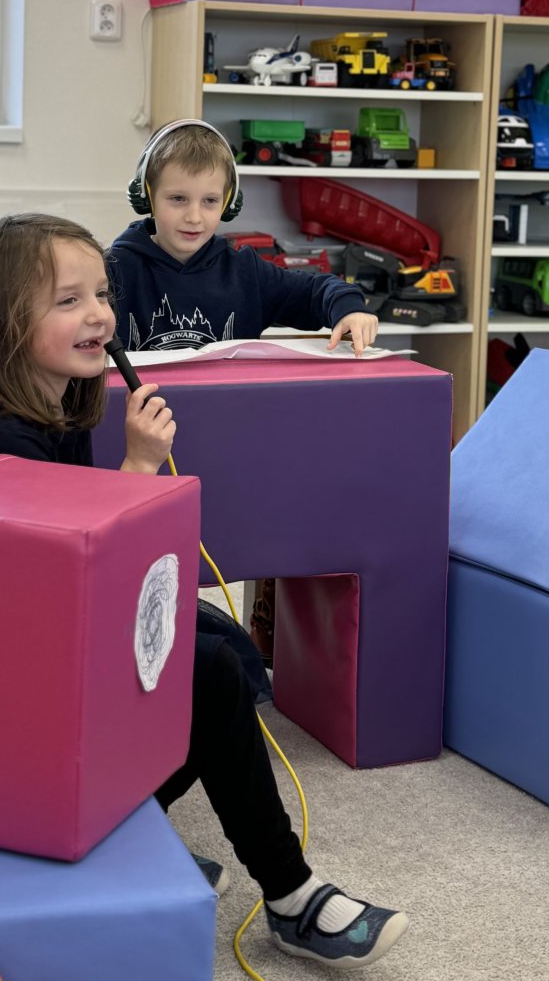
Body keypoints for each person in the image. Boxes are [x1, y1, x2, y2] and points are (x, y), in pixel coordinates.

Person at [0, 213, 409, 970]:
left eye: (102, 294)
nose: (100, 315)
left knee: (227, 647)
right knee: (209, 671)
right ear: (3, 322)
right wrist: (139, 469)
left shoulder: (51, 401)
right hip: (10, 679)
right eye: (69, 301)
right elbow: (68, 576)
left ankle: (119, 831)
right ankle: (289, 894)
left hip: (43, 643)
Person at [108, 119, 380, 659]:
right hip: (142, 447)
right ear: (147, 196)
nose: (194, 216)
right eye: (178, 199)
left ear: (228, 203)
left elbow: (318, 289)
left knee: (252, 534)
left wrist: (348, 309)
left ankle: (258, 629)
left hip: (230, 446)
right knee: (150, 564)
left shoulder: (244, 270)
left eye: (210, 201)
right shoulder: (115, 269)